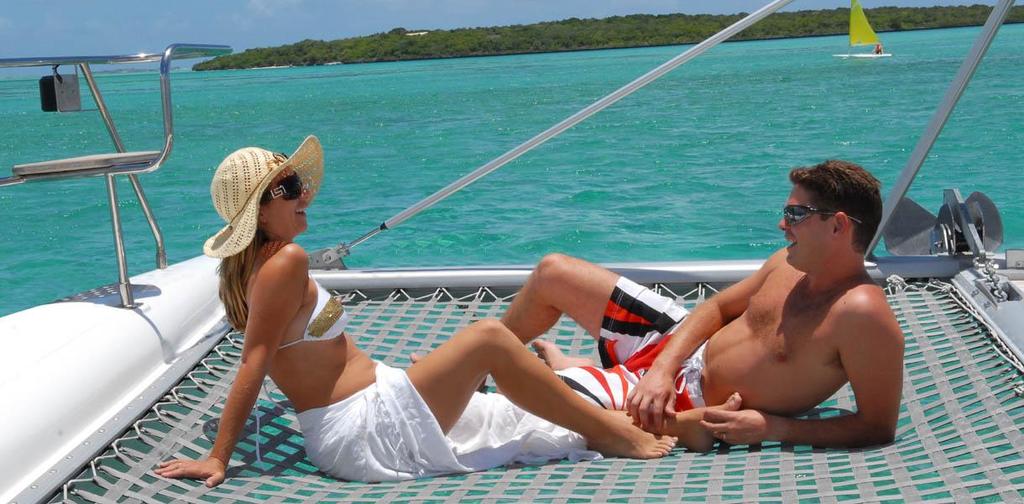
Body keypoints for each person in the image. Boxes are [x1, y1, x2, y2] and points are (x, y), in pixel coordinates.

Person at [155, 136, 686, 487]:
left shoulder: (267, 265)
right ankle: (620, 438)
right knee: (487, 339)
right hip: (360, 429)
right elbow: (255, 359)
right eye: (291, 188)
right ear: (260, 208)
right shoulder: (283, 263)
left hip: (376, 401)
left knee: (523, 418)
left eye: (299, 183)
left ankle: (619, 426)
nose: (306, 193)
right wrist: (219, 458)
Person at [501, 159, 904, 449]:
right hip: (672, 343)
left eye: (795, 214)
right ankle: (572, 367)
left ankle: (576, 373)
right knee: (553, 271)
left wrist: (775, 429)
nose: (783, 225)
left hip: (685, 405)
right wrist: (660, 368)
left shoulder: (861, 314)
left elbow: (877, 426)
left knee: (518, 411)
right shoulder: (786, 263)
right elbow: (716, 309)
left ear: (837, 225)